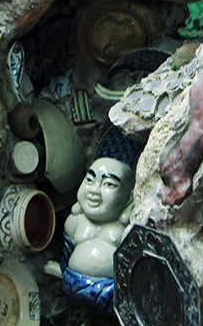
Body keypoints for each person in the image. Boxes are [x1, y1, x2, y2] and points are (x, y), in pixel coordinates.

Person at [43, 127, 139, 311]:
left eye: (108, 184)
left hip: (114, 296)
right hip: (72, 287)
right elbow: (67, 253)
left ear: (129, 197)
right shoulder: (76, 221)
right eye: (90, 180)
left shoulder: (126, 228)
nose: (94, 190)